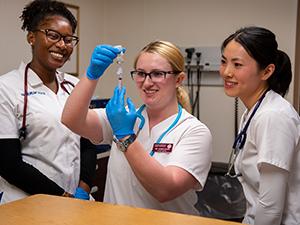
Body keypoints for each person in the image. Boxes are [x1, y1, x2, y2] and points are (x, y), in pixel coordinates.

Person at [61, 40, 212, 215]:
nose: (147, 83)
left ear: (178, 79)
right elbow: (71, 119)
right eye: (141, 73)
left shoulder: (193, 131)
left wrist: (125, 137)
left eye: (157, 74)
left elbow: (165, 190)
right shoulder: (124, 117)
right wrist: (91, 76)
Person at [0, 0, 96, 204]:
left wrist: (82, 191)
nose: (62, 45)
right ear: (31, 37)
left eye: (69, 39)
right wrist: (63, 197)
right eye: (53, 35)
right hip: (26, 203)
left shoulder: (75, 86)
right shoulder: (6, 88)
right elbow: (8, 163)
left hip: (77, 203)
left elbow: (87, 145)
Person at [220, 26, 300, 225]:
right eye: (224, 62)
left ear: (267, 71)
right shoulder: (255, 111)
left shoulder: (273, 116)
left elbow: (271, 208)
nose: (226, 72)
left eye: (237, 64)